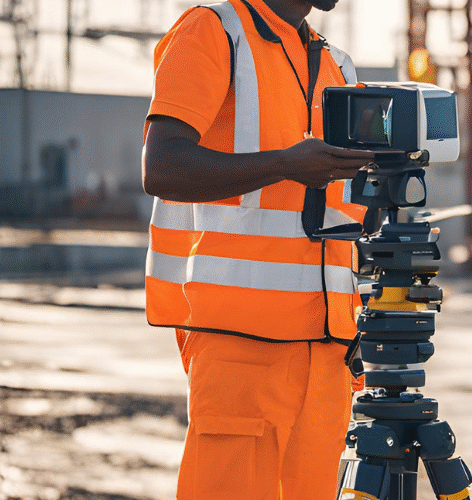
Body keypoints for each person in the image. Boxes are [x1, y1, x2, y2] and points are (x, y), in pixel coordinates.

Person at [141, 1, 389, 498]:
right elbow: (162, 166)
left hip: (327, 354)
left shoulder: (335, 63)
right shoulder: (213, 30)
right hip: (243, 346)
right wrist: (285, 164)